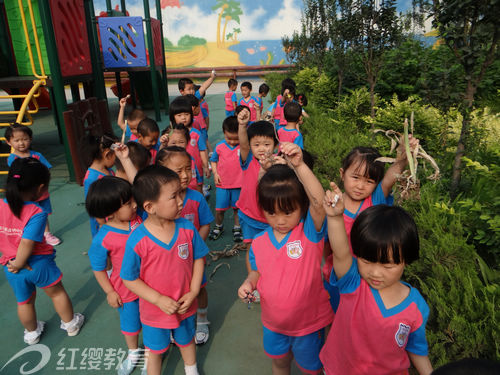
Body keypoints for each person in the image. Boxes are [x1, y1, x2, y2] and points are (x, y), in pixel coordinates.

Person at [238, 143, 333, 375]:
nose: (280, 220)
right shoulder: (259, 242)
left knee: (311, 369)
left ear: (302, 207)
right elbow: (257, 272)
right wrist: (248, 283)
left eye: (288, 212)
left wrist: (299, 166)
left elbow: (320, 203)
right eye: (272, 213)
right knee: (280, 363)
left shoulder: (309, 233)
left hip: (308, 325)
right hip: (273, 324)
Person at [320, 188, 433, 375]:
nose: (375, 272)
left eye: (387, 266)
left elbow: (417, 349)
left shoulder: (416, 307)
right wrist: (334, 217)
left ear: (406, 260)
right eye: (366, 261)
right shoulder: (353, 282)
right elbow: (340, 252)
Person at [120, 165, 208, 375]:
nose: (180, 201)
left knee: (187, 340)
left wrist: (194, 291)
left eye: (180, 194)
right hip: (154, 311)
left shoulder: (187, 228)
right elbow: (130, 279)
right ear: (150, 207)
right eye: (173, 196)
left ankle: (191, 369)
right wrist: (158, 299)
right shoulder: (137, 240)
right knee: (155, 350)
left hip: (184, 304)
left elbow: (198, 259)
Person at [322, 140, 419, 311]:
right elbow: (326, 245)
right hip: (340, 274)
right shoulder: (332, 205)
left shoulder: (375, 200)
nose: (360, 186)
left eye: (369, 181)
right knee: (336, 313)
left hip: (371, 275)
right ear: (342, 174)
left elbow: (391, 177)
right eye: (355, 177)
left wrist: (404, 157)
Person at [1, 158, 84, 345]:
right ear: (40, 188)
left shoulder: (0, 205)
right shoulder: (36, 212)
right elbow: (26, 243)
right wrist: (21, 262)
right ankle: (70, 324)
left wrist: (14, 264)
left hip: (11, 266)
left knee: (25, 301)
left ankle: (31, 334)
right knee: (57, 293)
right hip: (37, 264)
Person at [86, 176, 145, 375]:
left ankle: (153, 352)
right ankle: (134, 352)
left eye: (133, 200)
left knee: (153, 320)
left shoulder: (139, 220)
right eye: (128, 204)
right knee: (130, 324)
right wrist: (110, 292)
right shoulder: (102, 238)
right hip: (125, 290)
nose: (135, 205)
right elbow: (99, 268)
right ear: (110, 211)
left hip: (152, 285)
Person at [156, 146, 214, 345]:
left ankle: (202, 319)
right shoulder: (159, 202)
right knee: (173, 290)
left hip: (194, 258)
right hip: (170, 261)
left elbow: (206, 223)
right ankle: (176, 323)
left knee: (200, 288)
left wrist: (196, 246)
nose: (185, 175)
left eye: (188, 169)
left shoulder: (197, 198)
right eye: (178, 171)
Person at [236, 109, 278, 274]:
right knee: (251, 249)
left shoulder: (278, 163)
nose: (261, 149)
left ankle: (270, 279)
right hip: (250, 215)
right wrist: (242, 125)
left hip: (272, 219)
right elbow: (243, 144)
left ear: (275, 145)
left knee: (272, 251)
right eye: (257, 144)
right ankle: (253, 282)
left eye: (267, 144)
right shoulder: (248, 160)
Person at [5, 123, 60, 246]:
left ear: (30, 139)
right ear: (9, 142)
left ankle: (46, 234)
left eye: (25, 139)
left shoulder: (37, 155)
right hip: (25, 193)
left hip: (40, 192)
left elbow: (46, 170)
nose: (21, 143)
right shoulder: (12, 158)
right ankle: (28, 234)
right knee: (26, 213)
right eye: (17, 140)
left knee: (43, 213)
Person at [208, 115, 243, 242]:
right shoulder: (219, 147)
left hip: (239, 184)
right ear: (224, 133)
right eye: (229, 138)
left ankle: (237, 227)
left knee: (237, 209)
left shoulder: (244, 147)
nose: (233, 142)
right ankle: (219, 226)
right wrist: (215, 174)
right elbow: (213, 160)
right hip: (223, 184)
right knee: (219, 209)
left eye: (236, 139)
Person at [82, 133, 117, 237]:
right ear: (107, 154)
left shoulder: (109, 170)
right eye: (116, 155)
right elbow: (94, 206)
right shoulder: (91, 179)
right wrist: (103, 225)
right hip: (104, 226)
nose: (117, 159)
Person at [170, 96, 209, 182]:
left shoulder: (196, 134)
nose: (183, 118)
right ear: (173, 117)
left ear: (191, 115)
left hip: (196, 168)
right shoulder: (171, 133)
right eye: (179, 115)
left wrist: (205, 166)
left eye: (186, 114)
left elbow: (202, 150)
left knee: (198, 186)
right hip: (178, 169)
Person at [159, 124, 203, 192]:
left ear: (187, 142)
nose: (178, 145)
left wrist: (200, 193)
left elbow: (198, 178)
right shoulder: (166, 160)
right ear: (166, 144)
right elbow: (159, 159)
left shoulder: (190, 159)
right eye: (173, 143)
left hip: (192, 192)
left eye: (181, 142)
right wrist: (162, 145)